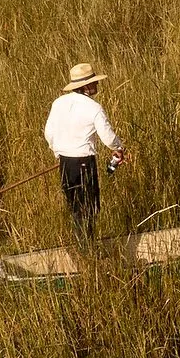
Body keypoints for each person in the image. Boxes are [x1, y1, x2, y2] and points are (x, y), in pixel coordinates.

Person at [43, 62, 124, 243]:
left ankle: (84, 246)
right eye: (94, 82)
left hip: (65, 163)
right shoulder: (93, 107)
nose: (97, 85)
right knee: (89, 208)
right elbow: (108, 137)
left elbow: (49, 132)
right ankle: (87, 249)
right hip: (84, 163)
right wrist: (118, 149)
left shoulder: (58, 103)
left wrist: (59, 153)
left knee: (75, 207)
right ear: (86, 86)